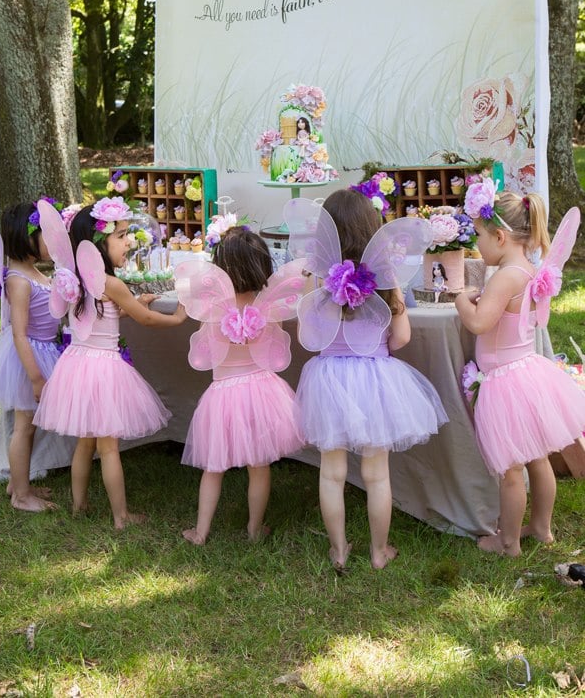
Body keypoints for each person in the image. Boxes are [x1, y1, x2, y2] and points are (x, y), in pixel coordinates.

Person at [286, 190, 448, 572]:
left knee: (331, 472)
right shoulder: (386, 275)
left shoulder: (316, 275)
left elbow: (307, 336)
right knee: (377, 474)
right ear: (370, 227)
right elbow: (403, 336)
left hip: (328, 378)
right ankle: (378, 552)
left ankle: (339, 550)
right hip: (375, 377)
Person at [33, 199, 187, 529]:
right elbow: (144, 319)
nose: (128, 242)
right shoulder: (110, 283)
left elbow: (114, 308)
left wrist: (132, 302)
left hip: (76, 365)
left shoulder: (72, 279)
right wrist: (176, 318)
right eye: (120, 235)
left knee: (84, 444)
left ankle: (79, 506)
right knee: (109, 447)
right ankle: (121, 516)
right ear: (98, 243)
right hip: (103, 369)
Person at [456, 180, 585, 556]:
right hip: (527, 371)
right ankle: (541, 528)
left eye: (479, 237)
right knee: (537, 458)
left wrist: (464, 301)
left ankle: (507, 541)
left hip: (505, 381)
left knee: (511, 469)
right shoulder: (529, 269)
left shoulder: (504, 276)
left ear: (499, 236)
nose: (477, 246)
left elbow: (479, 323)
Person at [175, 225, 306, 545]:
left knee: (213, 467)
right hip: (262, 391)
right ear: (263, 266)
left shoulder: (210, 308)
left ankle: (201, 532)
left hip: (223, 393)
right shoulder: (268, 306)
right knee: (259, 467)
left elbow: (204, 348)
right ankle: (253, 530)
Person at [0, 201, 62, 511]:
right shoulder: (19, 280)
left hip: (42, 350)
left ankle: (18, 483)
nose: (53, 241)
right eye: (47, 235)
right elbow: (18, 333)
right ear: (27, 239)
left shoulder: (33, 272)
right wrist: (35, 377)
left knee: (29, 427)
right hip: (28, 357)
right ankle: (21, 497)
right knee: (24, 427)